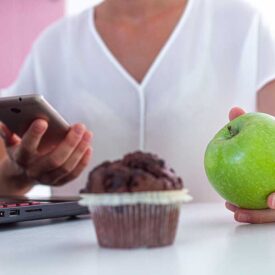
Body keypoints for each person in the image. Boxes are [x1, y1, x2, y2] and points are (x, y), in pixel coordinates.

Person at [0, 0, 275, 223]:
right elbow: (5, 184)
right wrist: (21, 173)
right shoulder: (53, 45)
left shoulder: (243, 24)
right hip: (84, 262)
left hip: (218, 258)